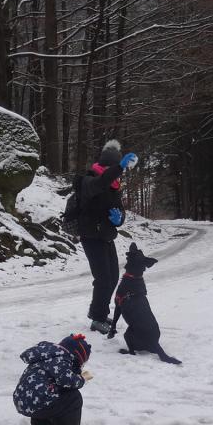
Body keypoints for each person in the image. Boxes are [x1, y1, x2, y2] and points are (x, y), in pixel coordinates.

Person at [78, 139, 137, 334]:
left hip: (106, 235)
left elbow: (119, 209)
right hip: (90, 235)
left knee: (112, 277)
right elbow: (100, 183)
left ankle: (97, 311)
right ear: (107, 165)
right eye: (114, 167)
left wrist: (119, 219)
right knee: (103, 278)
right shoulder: (90, 180)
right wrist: (120, 167)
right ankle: (97, 318)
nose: (118, 173)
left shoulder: (113, 185)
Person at [13, 334, 93, 425]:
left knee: (44, 392)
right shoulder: (61, 359)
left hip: (22, 401)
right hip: (38, 403)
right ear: (76, 357)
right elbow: (67, 381)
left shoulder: (46, 355)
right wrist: (81, 379)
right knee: (74, 397)